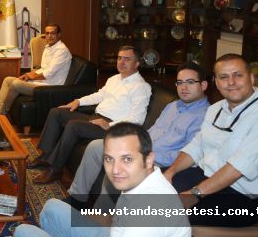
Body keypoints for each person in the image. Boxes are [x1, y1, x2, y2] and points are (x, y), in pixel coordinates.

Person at [164, 53, 258, 227]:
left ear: (251, 78)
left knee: (165, 215)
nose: (231, 82)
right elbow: (195, 147)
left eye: (238, 75)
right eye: (224, 77)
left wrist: (194, 194)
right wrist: (169, 173)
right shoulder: (215, 109)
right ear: (216, 82)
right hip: (206, 178)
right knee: (145, 190)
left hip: (245, 198)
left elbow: (238, 167)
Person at [67, 62, 209, 207]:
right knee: (95, 146)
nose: (183, 87)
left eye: (190, 82)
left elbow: (188, 153)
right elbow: (152, 131)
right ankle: (77, 198)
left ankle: (100, 216)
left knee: (118, 171)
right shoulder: (172, 106)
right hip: (141, 149)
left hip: (157, 161)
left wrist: (146, 155)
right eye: (180, 82)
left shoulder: (205, 116)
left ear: (203, 85)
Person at [14, 123, 190, 237]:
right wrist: (86, 219)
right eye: (109, 158)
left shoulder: (149, 212)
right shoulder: (143, 179)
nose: (115, 170)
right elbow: (118, 221)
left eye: (127, 159)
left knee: (24, 232)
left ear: (149, 159)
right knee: (53, 207)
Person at [29, 46, 151, 184]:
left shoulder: (141, 87)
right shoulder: (114, 79)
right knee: (56, 112)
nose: (121, 62)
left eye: (127, 59)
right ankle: (45, 157)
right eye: (119, 58)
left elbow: (137, 119)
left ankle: (55, 169)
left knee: (74, 125)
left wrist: (109, 125)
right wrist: (78, 101)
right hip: (96, 118)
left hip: (112, 128)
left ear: (137, 63)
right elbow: (99, 95)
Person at [0, 23, 72, 114]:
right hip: (42, 82)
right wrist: (28, 75)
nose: (49, 36)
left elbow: (48, 74)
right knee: (8, 80)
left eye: (53, 33)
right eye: (47, 33)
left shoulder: (61, 50)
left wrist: (31, 77)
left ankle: (1, 113)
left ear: (59, 35)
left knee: (15, 84)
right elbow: (43, 68)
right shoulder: (48, 47)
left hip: (51, 87)